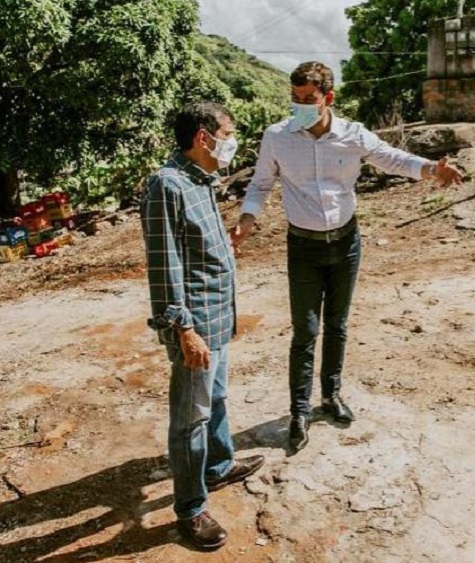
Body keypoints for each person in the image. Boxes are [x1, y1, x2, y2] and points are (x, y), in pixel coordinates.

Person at [232, 62, 463, 453]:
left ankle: (330, 396)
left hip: (345, 244)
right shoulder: (277, 137)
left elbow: (392, 158)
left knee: (337, 325)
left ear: (328, 98)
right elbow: (260, 184)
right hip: (303, 247)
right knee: (305, 332)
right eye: (295, 98)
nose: (300, 105)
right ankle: (299, 412)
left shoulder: (352, 135)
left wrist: (430, 169)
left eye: (308, 99)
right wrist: (246, 221)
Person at [140, 101, 264, 550]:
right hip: (194, 325)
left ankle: (218, 465)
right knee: (191, 419)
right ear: (202, 137)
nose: (232, 142)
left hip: (217, 316)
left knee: (217, 397)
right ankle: (191, 508)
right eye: (227, 133)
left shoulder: (201, 180)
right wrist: (183, 329)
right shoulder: (167, 185)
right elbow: (165, 264)